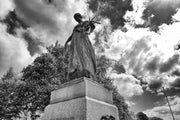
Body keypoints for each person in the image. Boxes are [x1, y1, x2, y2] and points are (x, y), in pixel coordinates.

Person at [64, 13, 97, 80]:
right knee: (76, 54)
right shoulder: (75, 27)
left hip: (82, 38)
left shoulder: (85, 22)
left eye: (77, 17)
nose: (76, 19)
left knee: (83, 52)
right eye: (75, 18)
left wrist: (89, 32)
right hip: (75, 41)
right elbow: (72, 35)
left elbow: (92, 26)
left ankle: (85, 68)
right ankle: (78, 68)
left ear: (80, 17)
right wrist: (67, 41)